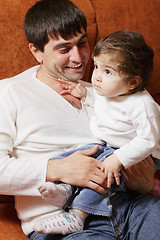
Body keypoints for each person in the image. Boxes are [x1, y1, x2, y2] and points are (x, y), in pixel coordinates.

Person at [0, 0, 159, 239]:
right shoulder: (9, 92)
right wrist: (57, 168)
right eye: (64, 49)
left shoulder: (108, 89)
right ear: (36, 51)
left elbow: (146, 141)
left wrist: (147, 184)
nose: (78, 57)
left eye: (82, 43)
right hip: (60, 220)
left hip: (132, 207)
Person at [32, 30, 160, 235]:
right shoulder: (109, 90)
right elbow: (104, 109)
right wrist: (85, 96)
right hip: (111, 147)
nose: (97, 77)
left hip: (137, 153)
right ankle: (66, 189)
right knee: (74, 155)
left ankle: (77, 216)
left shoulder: (143, 105)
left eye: (107, 71)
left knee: (103, 171)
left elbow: (148, 140)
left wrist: (118, 158)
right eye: (97, 67)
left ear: (133, 83)